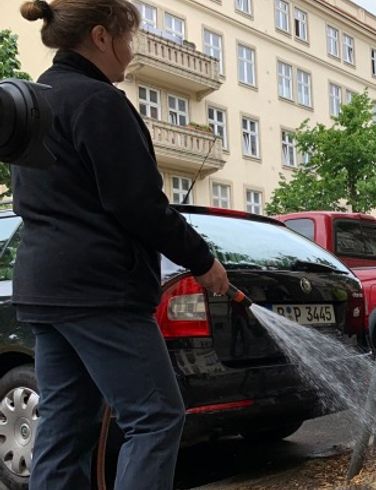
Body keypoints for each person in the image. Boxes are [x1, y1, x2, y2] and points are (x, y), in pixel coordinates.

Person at [15, 1, 230, 488]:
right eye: (128, 40)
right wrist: (203, 261)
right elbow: (137, 204)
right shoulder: (97, 101)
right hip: (99, 291)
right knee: (155, 417)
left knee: (64, 429)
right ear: (100, 36)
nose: (130, 53)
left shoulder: (34, 100)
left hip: (45, 289)